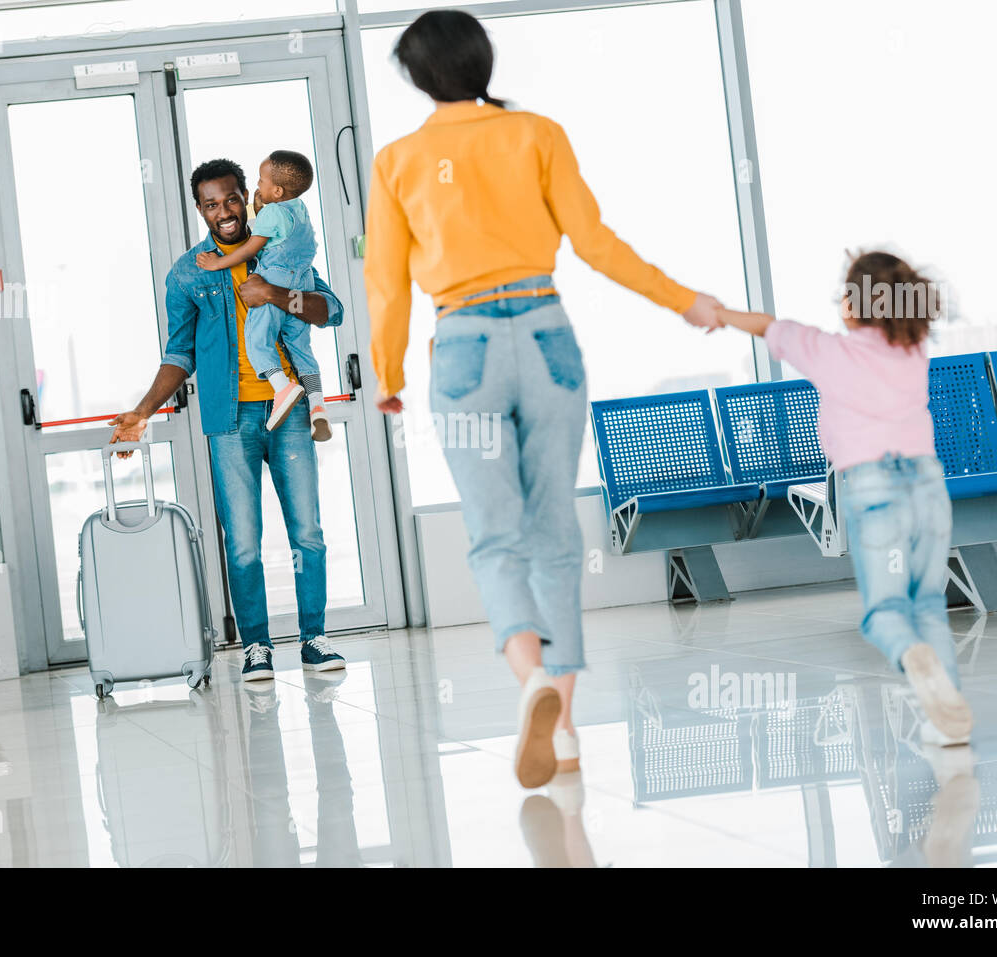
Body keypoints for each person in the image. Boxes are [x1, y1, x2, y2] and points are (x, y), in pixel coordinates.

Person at [362, 10, 724, 789]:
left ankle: (527, 678)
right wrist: (684, 299)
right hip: (546, 332)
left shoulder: (398, 160)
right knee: (556, 532)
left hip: (463, 347)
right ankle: (563, 728)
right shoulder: (536, 133)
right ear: (481, 61)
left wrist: (387, 376)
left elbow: (385, 284)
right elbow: (596, 243)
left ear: (420, 78)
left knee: (495, 537)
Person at [715, 250, 973, 744]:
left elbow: (769, 326)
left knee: (886, 613)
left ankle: (910, 656)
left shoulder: (827, 351)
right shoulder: (912, 347)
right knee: (928, 606)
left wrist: (721, 314)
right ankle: (948, 717)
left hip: (874, 488)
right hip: (928, 485)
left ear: (851, 306)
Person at [109, 158, 347, 682]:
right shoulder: (189, 272)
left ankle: (314, 638)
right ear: (200, 210)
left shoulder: (282, 244)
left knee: (307, 532)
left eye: (232, 199)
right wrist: (143, 411)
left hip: (289, 411)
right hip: (229, 418)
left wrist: (277, 295)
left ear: (247, 196)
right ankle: (257, 646)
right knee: (241, 540)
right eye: (211, 205)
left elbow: (332, 311)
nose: (224, 212)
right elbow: (179, 353)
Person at [196, 150, 330, 441]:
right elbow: (278, 233)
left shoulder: (270, 215)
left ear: (277, 190)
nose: (259, 186)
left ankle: (282, 387)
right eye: (211, 205)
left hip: (277, 276)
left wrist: (268, 291)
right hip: (302, 277)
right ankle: (317, 404)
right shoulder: (299, 209)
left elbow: (252, 248)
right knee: (300, 345)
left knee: (256, 337)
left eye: (262, 181)